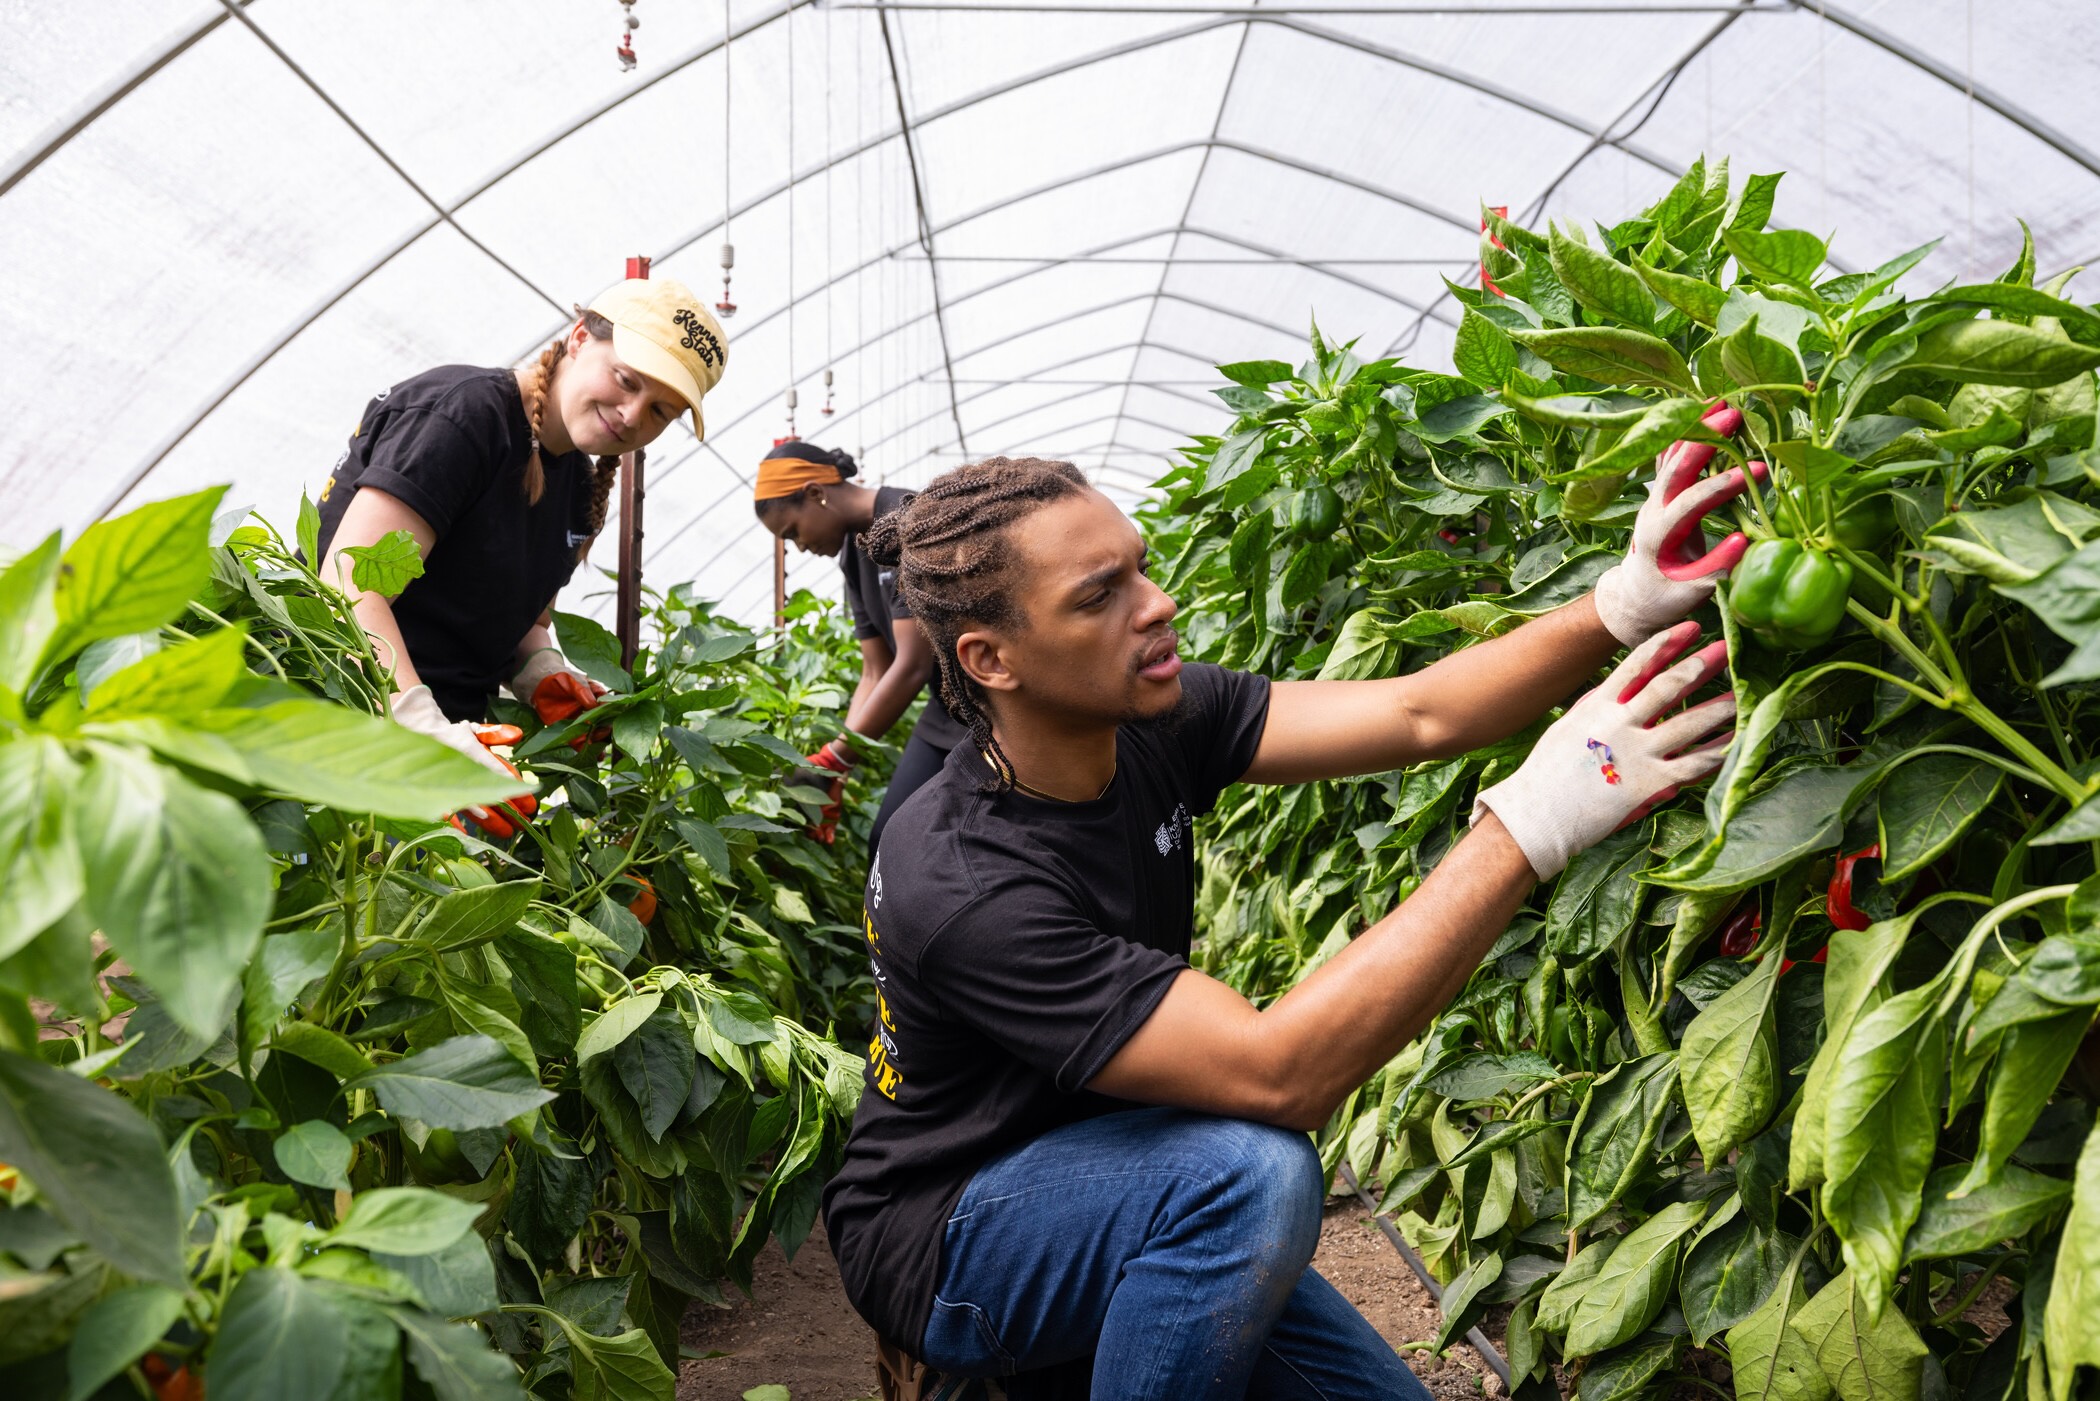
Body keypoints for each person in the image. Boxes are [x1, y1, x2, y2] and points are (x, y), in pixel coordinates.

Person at [820, 438, 1757, 1398]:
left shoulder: (1148, 718)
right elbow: (1278, 1074)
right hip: (955, 1236)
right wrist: (1536, 815)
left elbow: (1419, 714)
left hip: (1134, 1180)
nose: (1157, 604)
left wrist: (1621, 603)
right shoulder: (963, 875)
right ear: (989, 658)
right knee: (1251, 1171)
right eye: (1098, 597)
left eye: (1140, 568)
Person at [315, 279, 727, 834]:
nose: (632, 415)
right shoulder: (466, 418)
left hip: (448, 753)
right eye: (626, 380)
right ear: (580, 338)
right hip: (342, 716)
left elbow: (523, 620)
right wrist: (418, 725)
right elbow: (349, 585)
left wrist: (542, 673)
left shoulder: (581, 483)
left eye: (660, 412)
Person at [753, 441, 967, 852]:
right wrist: (838, 767)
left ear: (816, 494)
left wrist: (836, 758)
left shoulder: (910, 523)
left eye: (793, 531)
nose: (798, 546)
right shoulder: (854, 552)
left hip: (993, 715)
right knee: (886, 840)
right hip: (944, 714)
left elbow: (912, 666)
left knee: (931, 847)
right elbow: (875, 669)